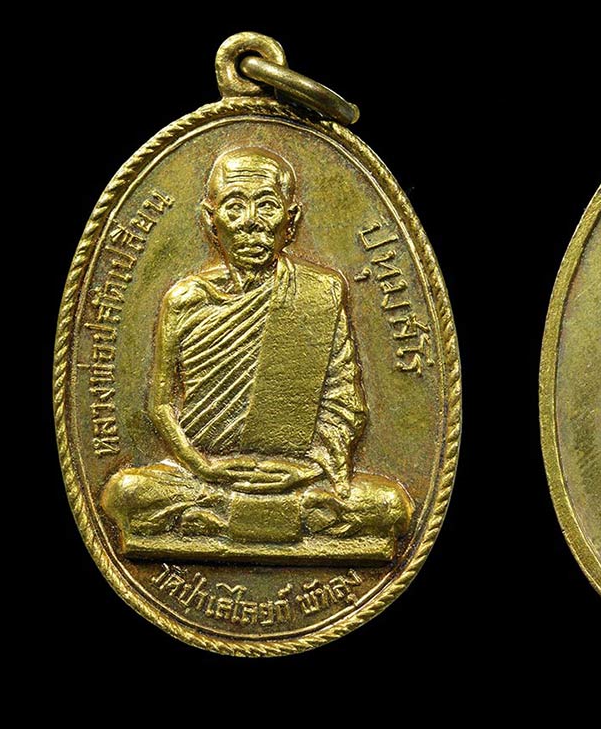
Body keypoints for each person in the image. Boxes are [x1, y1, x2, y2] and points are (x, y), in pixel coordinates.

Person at [102, 147, 412, 547]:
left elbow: (345, 406)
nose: (251, 222)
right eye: (234, 207)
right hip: (204, 476)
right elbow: (161, 404)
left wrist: (305, 471)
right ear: (211, 221)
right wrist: (204, 466)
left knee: (390, 506)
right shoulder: (186, 300)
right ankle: (277, 518)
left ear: (291, 220)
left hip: (299, 479)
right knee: (124, 493)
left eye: (267, 206)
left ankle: (218, 519)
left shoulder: (320, 293)